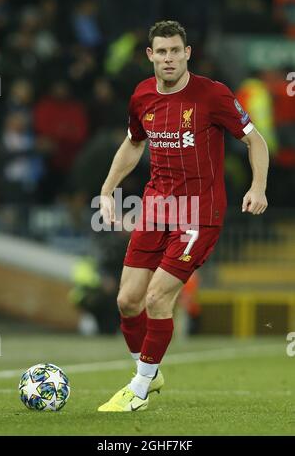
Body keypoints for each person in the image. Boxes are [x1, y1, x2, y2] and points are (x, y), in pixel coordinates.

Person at [98, 20, 269, 412]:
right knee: (127, 301)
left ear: (187, 53)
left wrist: (257, 187)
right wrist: (107, 190)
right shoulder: (141, 95)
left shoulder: (212, 95)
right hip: (157, 207)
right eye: (162, 52)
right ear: (150, 56)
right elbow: (132, 144)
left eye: (176, 50)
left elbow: (254, 139)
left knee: (158, 298)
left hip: (199, 213)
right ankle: (149, 370)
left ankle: (138, 390)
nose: (169, 58)